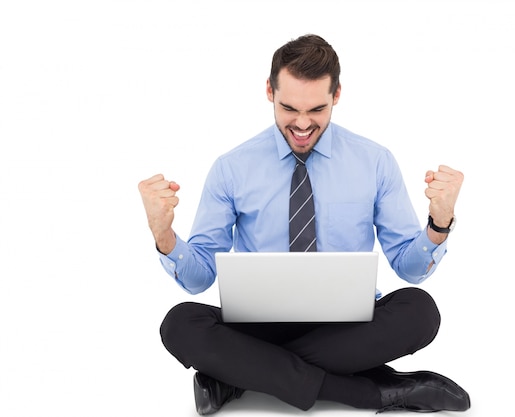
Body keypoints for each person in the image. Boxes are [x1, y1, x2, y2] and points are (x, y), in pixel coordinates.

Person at [138, 34, 470, 415]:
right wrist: (163, 234)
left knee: (420, 311)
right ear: (269, 92)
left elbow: (410, 270)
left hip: (348, 327)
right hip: (257, 326)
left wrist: (439, 223)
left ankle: (238, 374)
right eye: (288, 108)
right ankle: (378, 392)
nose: (301, 124)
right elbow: (199, 279)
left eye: (316, 109)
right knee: (180, 323)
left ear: (337, 95)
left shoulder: (375, 161)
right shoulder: (232, 168)